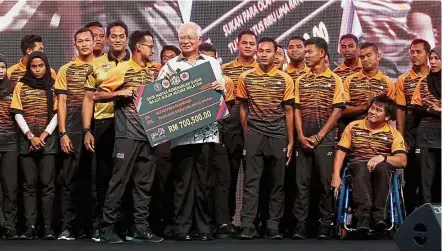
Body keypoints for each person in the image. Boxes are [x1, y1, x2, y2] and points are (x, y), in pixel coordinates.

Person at [157, 22, 226, 241]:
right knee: (183, 182)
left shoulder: (212, 63)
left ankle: (204, 227)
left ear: (199, 39)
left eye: (190, 38)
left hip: (207, 131)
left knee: (205, 182)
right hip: (181, 134)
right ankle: (183, 228)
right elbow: (158, 95)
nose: (186, 41)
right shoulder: (170, 66)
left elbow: (221, 89)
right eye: (182, 38)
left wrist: (219, 87)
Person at [93, 30, 163, 244]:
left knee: (144, 185)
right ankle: (106, 228)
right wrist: (118, 93)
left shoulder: (151, 72)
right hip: (127, 136)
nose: (153, 50)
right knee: (118, 182)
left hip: (148, 137)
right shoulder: (123, 70)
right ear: (139, 47)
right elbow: (96, 95)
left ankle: (140, 228)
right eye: (150, 46)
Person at [237, 37, 294, 240]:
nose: (263, 54)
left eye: (268, 51)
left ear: (275, 54)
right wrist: (247, 133)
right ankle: (247, 224)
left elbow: (289, 111)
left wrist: (291, 140)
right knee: (251, 181)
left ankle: (273, 226)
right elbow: (243, 107)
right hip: (254, 133)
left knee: (277, 182)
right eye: (260, 50)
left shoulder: (285, 79)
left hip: (278, 135)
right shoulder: (246, 77)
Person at [292, 37, 345, 240]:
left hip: (326, 140)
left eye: (309, 51)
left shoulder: (335, 79)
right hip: (303, 139)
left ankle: (325, 224)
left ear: (322, 54)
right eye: (305, 52)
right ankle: (301, 225)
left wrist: (320, 135)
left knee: (325, 183)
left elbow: (337, 110)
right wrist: (301, 136)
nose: (306, 55)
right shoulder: (301, 79)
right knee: (301, 183)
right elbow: (296, 109)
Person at [82, 20, 131, 242]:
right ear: (106, 39)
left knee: (128, 178)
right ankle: (100, 225)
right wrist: (86, 130)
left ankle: (124, 226)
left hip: (132, 126)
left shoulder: (138, 63)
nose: (118, 39)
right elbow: (87, 99)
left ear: (127, 39)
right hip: (103, 124)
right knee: (103, 178)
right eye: (114, 36)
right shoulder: (96, 64)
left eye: (122, 36)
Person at [332, 95, 407, 232]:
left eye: (378, 110)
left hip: (381, 170)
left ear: (387, 117)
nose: (372, 112)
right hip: (357, 167)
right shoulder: (353, 127)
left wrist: (383, 157)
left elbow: (402, 160)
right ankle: (363, 216)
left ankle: (379, 216)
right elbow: (341, 152)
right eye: (372, 108)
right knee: (360, 166)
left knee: (384, 167)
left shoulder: (393, 133)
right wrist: (336, 175)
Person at [10, 51, 58, 240]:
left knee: (48, 186)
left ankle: (47, 227)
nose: (37, 69)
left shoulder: (54, 85)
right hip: (27, 143)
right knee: (29, 186)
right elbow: (17, 112)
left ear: (46, 66)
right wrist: (31, 136)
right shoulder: (21, 85)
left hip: (48, 143)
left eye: (41, 66)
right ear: (29, 67)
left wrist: (43, 136)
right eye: (33, 66)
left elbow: (57, 114)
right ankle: (30, 226)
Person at [54, 27, 96, 241]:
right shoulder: (65, 69)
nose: (84, 44)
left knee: (96, 179)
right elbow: (61, 102)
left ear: (95, 42)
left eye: (87, 40)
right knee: (70, 179)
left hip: (99, 127)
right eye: (80, 41)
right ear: (75, 44)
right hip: (72, 128)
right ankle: (67, 227)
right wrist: (63, 133)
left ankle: (93, 226)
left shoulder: (102, 66)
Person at [221, 30, 258, 227]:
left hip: (256, 131)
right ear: (237, 44)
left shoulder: (262, 70)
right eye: (245, 43)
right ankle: (227, 221)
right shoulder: (224, 69)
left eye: (252, 43)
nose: (248, 46)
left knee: (254, 178)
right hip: (229, 129)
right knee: (229, 177)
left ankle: (250, 221)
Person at [199, 42, 236, 239]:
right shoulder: (188, 82)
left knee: (223, 178)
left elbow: (226, 107)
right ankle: (203, 222)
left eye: (209, 58)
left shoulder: (226, 81)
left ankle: (223, 221)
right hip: (194, 137)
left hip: (219, 134)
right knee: (202, 179)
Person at [395, 38, 431, 213]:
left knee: (432, 178)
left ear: (428, 55)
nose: (414, 55)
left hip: (434, 133)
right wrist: (401, 138)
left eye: (418, 52)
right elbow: (400, 110)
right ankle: (409, 217)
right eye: (411, 51)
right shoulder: (403, 79)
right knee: (411, 178)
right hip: (411, 132)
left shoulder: (436, 76)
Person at [411, 46, 441, 205]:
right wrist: (431, 110)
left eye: (437, 58)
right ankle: (427, 218)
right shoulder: (423, 82)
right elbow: (415, 107)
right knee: (425, 182)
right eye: (432, 59)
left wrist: (439, 111)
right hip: (426, 137)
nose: (433, 62)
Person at [341, 42, 396, 124]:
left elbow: (392, 114)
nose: (365, 59)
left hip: (378, 133)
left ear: (378, 56)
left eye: (369, 55)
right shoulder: (350, 80)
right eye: (362, 57)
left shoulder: (388, 82)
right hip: (354, 131)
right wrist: (364, 107)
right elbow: (342, 111)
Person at [0, 55, 19, 239]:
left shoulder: (14, 88)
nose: (0, 70)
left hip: (11, 143)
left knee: (10, 187)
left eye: (3, 67)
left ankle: (10, 226)